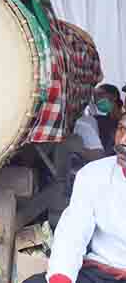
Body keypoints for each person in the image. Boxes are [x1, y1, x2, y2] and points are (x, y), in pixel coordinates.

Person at [23, 117, 126, 283]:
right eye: (121, 129)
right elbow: (73, 231)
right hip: (99, 272)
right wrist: (61, 277)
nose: (123, 141)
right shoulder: (94, 173)